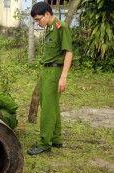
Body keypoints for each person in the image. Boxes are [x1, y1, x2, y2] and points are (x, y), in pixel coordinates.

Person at [27, 2, 73, 155]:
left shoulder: (61, 27)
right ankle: (56, 139)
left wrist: (63, 76)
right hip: (47, 70)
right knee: (52, 106)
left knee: (47, 109)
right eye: (35, 21)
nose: (38, 23)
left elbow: (68, 52)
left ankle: (44, 143)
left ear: (47, 14)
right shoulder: (50, 28)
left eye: (38, 19)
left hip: (55, 72)